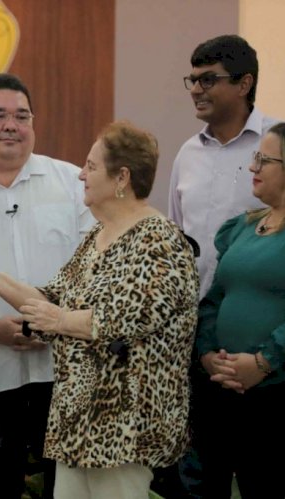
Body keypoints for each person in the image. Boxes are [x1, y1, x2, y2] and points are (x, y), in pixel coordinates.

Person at [0, 121, 198, 499]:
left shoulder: (161, 240)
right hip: (78, 421)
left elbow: (128, 318)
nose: (80, 175)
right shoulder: (97, 234)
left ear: (121, 177)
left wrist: (57, 320)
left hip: (126, 423)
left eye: (91, 167)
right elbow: (52, 298)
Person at [0, 73, 94, 499]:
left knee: (64, 485)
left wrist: (51, 321)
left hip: (62, 368)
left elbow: (94, 267)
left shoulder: (73, 183)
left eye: (21, 115)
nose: (10, 125)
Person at [168, 34, 279, 497]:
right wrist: (204, 346)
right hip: (201, 342)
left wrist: (265, 359)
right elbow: (179, 247)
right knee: (200, 476)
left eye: (207, 79)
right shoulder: (187, 155)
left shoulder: (279, 145)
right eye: (191, 79)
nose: (196, 88)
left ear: (244, 82)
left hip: (269, 359)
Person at [193, 122, 285, 499]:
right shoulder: (244, 228)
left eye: (264, 159)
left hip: (275, 398)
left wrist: (263, 362)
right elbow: (214, 299)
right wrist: (209, 354)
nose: (253, 167)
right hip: (221, 393)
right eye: (254, 157)